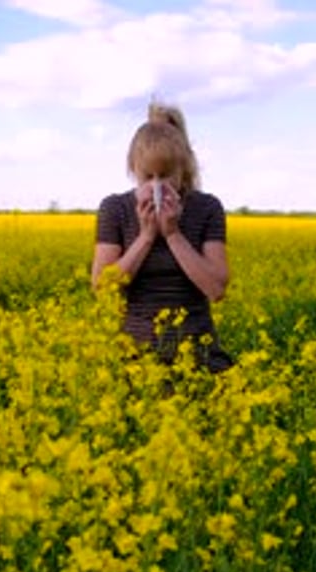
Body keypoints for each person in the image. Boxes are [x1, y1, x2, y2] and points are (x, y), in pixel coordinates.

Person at [91, 102, 233, 373]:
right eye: (147, 176)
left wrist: (172, 234)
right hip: (135, 359)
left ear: (183, 170)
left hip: (198, 356)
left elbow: (216, 289)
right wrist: (145, 236)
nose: (157, 186)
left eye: (166, 176)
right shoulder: (115, 209)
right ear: (133, 169)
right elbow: (102, 287)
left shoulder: (207, 208)